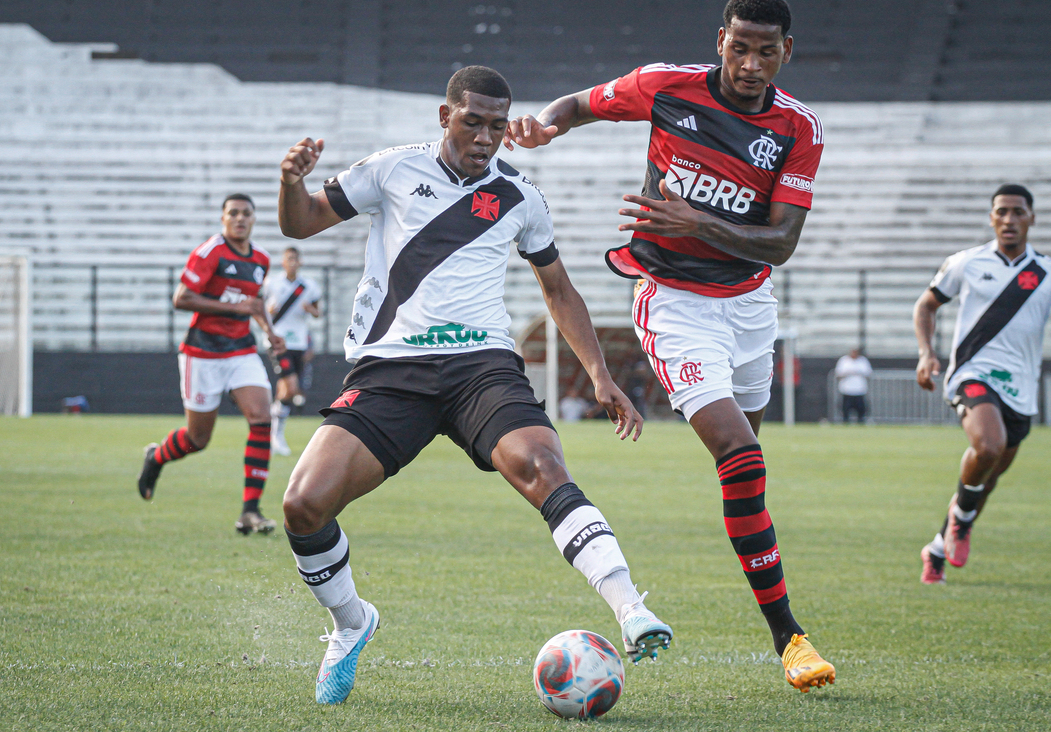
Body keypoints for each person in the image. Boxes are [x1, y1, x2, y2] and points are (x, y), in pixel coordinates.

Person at [277, 65, 672, 705]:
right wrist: (290, 182)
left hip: (480, 366)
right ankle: (351, 624)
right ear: (445, 116)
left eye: (496, 124)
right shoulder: (392, 170)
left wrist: (601, 375)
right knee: (303, 505)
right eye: (473, 122)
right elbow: (301, 224)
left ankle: (631, 610)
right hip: (389, 370)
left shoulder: (521, 197)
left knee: (541, 464)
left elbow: (558, 289)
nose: (486, 137)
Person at [504, 0, 835, 692]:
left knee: (750, 467)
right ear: (721, 40)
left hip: (749, 307)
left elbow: (781, 241)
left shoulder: (797, 129)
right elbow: (578, 103)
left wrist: (698, 219)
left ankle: (750, 542)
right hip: (674, 302)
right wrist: (546, 127)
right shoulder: (666, 86)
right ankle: (791, 637)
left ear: (786, 53)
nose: (748, 65)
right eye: (738, 47)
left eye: (765, 52)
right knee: (740, 455)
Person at [914, 184, 1048, 584]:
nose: (1009, 219)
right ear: (991, 217)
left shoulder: (1044, 273)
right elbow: (926, 305)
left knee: (986, 481)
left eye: (1018, 212)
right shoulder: (966, 263)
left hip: (1022, 388)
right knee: (987, 445)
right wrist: (926, 352)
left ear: (1031, 219)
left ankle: (939, 545)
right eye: (1002, 211)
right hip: (973, 374)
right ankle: (961, 519)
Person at [136, 194, 286, 535]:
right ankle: (156, 457)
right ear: (223, 219)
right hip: (202, 353)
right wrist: (237, 310)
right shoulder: (209, 253)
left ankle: (250, 510)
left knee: (262, 418)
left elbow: (255, 303)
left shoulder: (260, 258)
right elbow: (181, 299)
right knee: (197, 439)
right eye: (233, 213)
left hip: (241, 351)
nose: (240, 219)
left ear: (253, 219)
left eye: (246, 214)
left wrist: (270, 333)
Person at [265, 246, 323, 455]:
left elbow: (318, 312)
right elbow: (258, 308)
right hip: (279, 341)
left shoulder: (308, 286)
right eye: (288, 259)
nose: (292, 262)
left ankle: (273, 433)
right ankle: (276, 436)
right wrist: (269, 311)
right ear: (283, 262)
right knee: (290, 388)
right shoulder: (272, 283)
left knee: (286, 391)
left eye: (295, 259)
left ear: (300, 262)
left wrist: (310, 310)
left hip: (299, 342)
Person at [835, 347, 872, 423]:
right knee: (846, 409)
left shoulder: (863, 361)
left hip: (859, 390)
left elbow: (868, 374)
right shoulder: (844, 360)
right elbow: (838, 374)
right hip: (846, 390)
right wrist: (847, 373)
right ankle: (845, 423)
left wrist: (858, 373)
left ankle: (861, 422)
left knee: (861, 409)